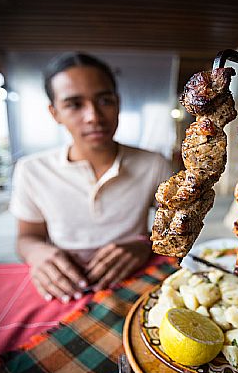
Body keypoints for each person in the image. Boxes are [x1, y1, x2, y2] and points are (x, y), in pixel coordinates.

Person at [9, 53, 173, 302]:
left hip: (135, 279)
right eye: (74, 104)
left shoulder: (154, 164)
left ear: (118, 103)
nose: (93, 117)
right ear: (55, 113)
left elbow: (176, 229)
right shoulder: (31, 169)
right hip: (65, 284)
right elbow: (27, 236)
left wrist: (144, 245)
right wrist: (38, 253)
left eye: (105, 100)